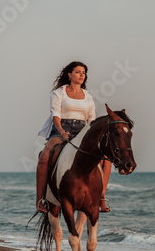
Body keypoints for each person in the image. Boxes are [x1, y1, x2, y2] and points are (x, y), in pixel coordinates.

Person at [36, 61, 111, 213]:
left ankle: (101, 198)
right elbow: (55, 115)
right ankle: (40, 200)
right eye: (78, 72)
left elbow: (91, 119)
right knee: (44, 157)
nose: (81, 75)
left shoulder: (88, 96)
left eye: (83, 72)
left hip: (83, 131)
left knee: (105, 159)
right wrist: (61, 131)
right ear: (69, 75)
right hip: (62, 129)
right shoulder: (59, 92)